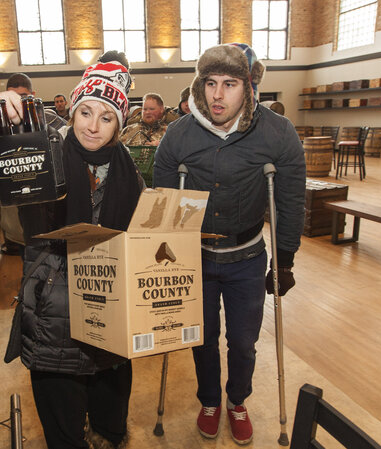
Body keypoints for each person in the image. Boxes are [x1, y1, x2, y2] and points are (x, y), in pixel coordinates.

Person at [0, 51, 143, 449]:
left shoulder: (128, 171)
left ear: (119, 125)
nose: (93, 126)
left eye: (107, 118)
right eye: (86, 112)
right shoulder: (43, 153)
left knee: (110, 409)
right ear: (72, 110)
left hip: (110, 306)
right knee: (62, 414)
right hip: (55, 309)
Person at [152, 43, 305, 445]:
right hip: (195, 256)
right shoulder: (178, 135)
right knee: (200, 337)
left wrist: (285, 260)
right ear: (199, 86)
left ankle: (237, 400)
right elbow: (165, 206)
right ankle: (209, 401)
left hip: (248, 257)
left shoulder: (278, 133)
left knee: (242, 340)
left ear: (249, 88)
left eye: (230, 84)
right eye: (211, 83)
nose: (218, 95)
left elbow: (289, 200)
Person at [0, 73, 67, 256]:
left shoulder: (55, 127)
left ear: (32, 95)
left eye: (22, 97)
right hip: (20, 222)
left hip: (53, 217)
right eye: (11, 97)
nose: (16, 103)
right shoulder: (1, 131)